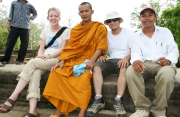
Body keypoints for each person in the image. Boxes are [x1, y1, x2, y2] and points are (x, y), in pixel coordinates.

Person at [0, 7, 70, 117]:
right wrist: (40, 55)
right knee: (35, 73)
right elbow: (41, 48)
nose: (53, 18)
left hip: (56, 59)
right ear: (48, 18)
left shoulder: (66, 30)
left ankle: (13, 97)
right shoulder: (45, 31)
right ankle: (32, 111)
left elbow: (63, 49)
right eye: (51, 16)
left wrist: (48, 55)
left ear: (59, 18)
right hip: (44, 59)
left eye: (56, 16)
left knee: (32, 63)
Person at [42, 2, 108, 117]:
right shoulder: (76, 29)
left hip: (89, 60)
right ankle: (59, 110)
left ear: (92, 12)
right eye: (81, 11)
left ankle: (81, 112)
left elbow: (101, 47)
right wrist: (62, 61)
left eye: (86, 11)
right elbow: (70, 47)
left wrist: (92, 62)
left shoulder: (99, 27)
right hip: (74, 60)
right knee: (56, 73)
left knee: (83, 79)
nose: (84, 13)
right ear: (79, 13)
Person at [125, 6, 179, 117]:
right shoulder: (135, 36)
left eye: (150, 15)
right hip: (145, 64)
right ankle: (142, 108)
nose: (147, 18)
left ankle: (158, 109)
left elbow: (173, 49)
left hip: (163, 64)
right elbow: (135, 52)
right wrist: (136, 61)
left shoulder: (165, 32)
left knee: (167, 75)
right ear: (140, 19)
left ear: (155, 17)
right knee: (130, 71)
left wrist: (169, 60)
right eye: (143, 15)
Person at [86, 11, 133, 117]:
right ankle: (98, 99)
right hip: (110, 60)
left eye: (114, 20)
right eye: (109, 21)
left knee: (123, 68)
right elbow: (104, 50)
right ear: (107, 23)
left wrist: (126, 58)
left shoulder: (128, 32)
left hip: (124, 59)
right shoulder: (105, 34)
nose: (112, 22)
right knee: (97, 66)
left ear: (120, 21)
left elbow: (133, 50)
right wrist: (102, 56)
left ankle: (118, 101)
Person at [0, 0, 37, 66]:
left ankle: (20, 60)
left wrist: (30, 18)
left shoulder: (30, 5)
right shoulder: (14, 3)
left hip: (25, 27)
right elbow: (11, 14)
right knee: (10, 43)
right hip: (14, 26)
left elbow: (35, 14)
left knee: (24, 44)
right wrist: (9, 24)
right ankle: (5, 59)